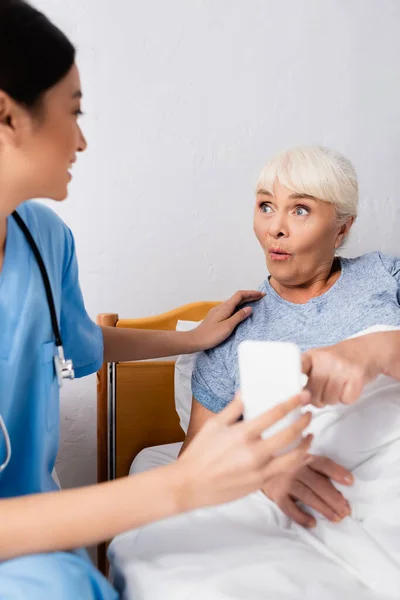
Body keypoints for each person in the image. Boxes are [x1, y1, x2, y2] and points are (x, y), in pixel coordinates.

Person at [0, 2, 313, 598]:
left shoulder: (43, 241)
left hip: (41, 549)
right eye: (74, 112)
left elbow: (75, 340)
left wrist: (190, 339)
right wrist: (183, 484)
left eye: (301, 208)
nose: (84, 140)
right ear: (7, 114)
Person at [181, 144, 400, 528]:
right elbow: (192, 469)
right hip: (332, 508)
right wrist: (265, 475)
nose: (275, 228)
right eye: (266, 206)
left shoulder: (385, 275)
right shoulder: (235, 331)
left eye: (300, 210)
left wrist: (376, 349)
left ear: (342, 229)